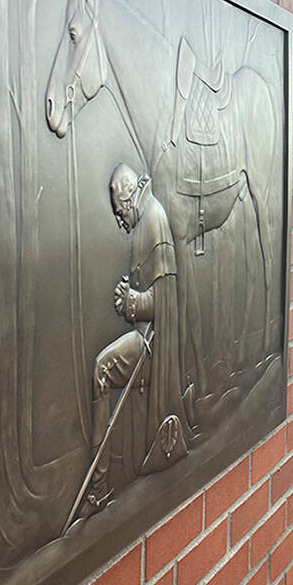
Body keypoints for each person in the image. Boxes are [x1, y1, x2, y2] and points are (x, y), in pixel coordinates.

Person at [87, 163, 189, 507]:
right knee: (101, 370)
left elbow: (164, 302)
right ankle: (101, 483)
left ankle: (99, 485)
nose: (120, 222)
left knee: (101, 369)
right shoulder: (145, 220)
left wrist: (132, 303)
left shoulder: (154, 221)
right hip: (144, 336)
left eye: (120, 212)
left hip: (153, 346)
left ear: (130, 198)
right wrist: (128, 297)